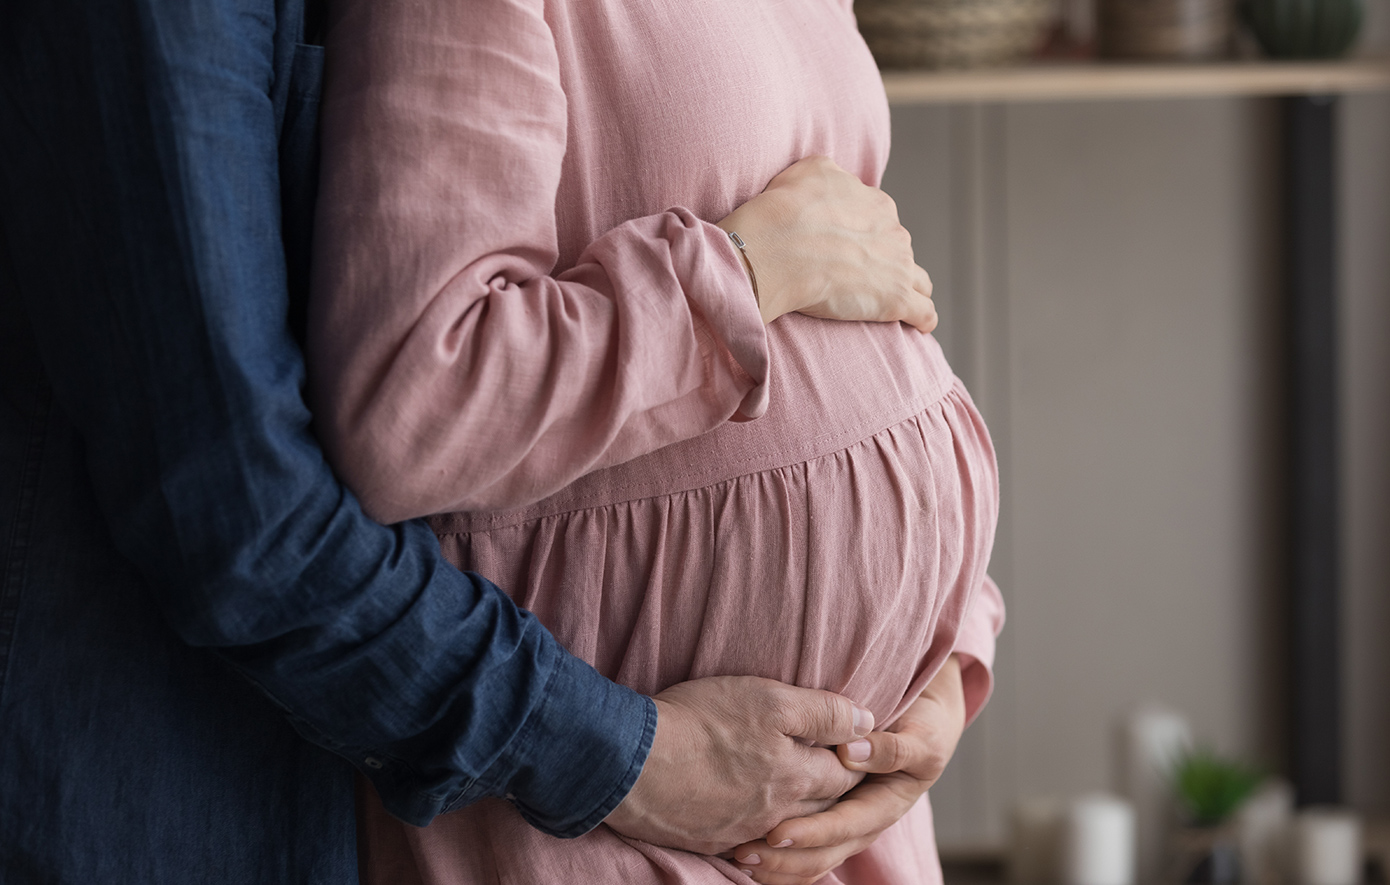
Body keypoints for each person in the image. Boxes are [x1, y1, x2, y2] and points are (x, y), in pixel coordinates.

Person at [0, 0, 969, 881]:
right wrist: (623, 758)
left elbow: (864, 298)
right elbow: (239, 498)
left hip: (821, 801)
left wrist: (938, 656)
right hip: (467, 788)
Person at [309, 0, 1006, 882]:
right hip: (602, 809)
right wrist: (745, 273)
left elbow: (864, 283)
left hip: (845, 812)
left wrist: (936, 664)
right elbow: (412, 406)